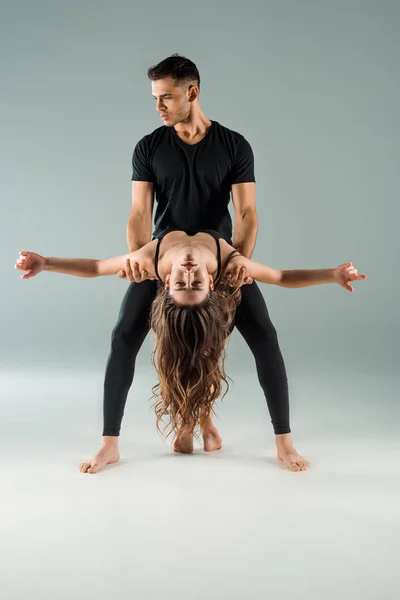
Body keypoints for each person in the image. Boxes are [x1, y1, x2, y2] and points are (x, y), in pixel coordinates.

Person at [15, 230, 366, 457]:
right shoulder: (230, 265)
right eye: (192, 282)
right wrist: (331, 275)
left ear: (165, 282)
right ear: (210, 283)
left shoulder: (150, 262)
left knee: (220, 345)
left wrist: (46, 263)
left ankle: (275, 442)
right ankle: (125, 441)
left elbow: (95, 267)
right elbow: (282, 277)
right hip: (224, 279)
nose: (186, 273)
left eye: (180, 283)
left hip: (189, 281)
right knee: (155, 342)